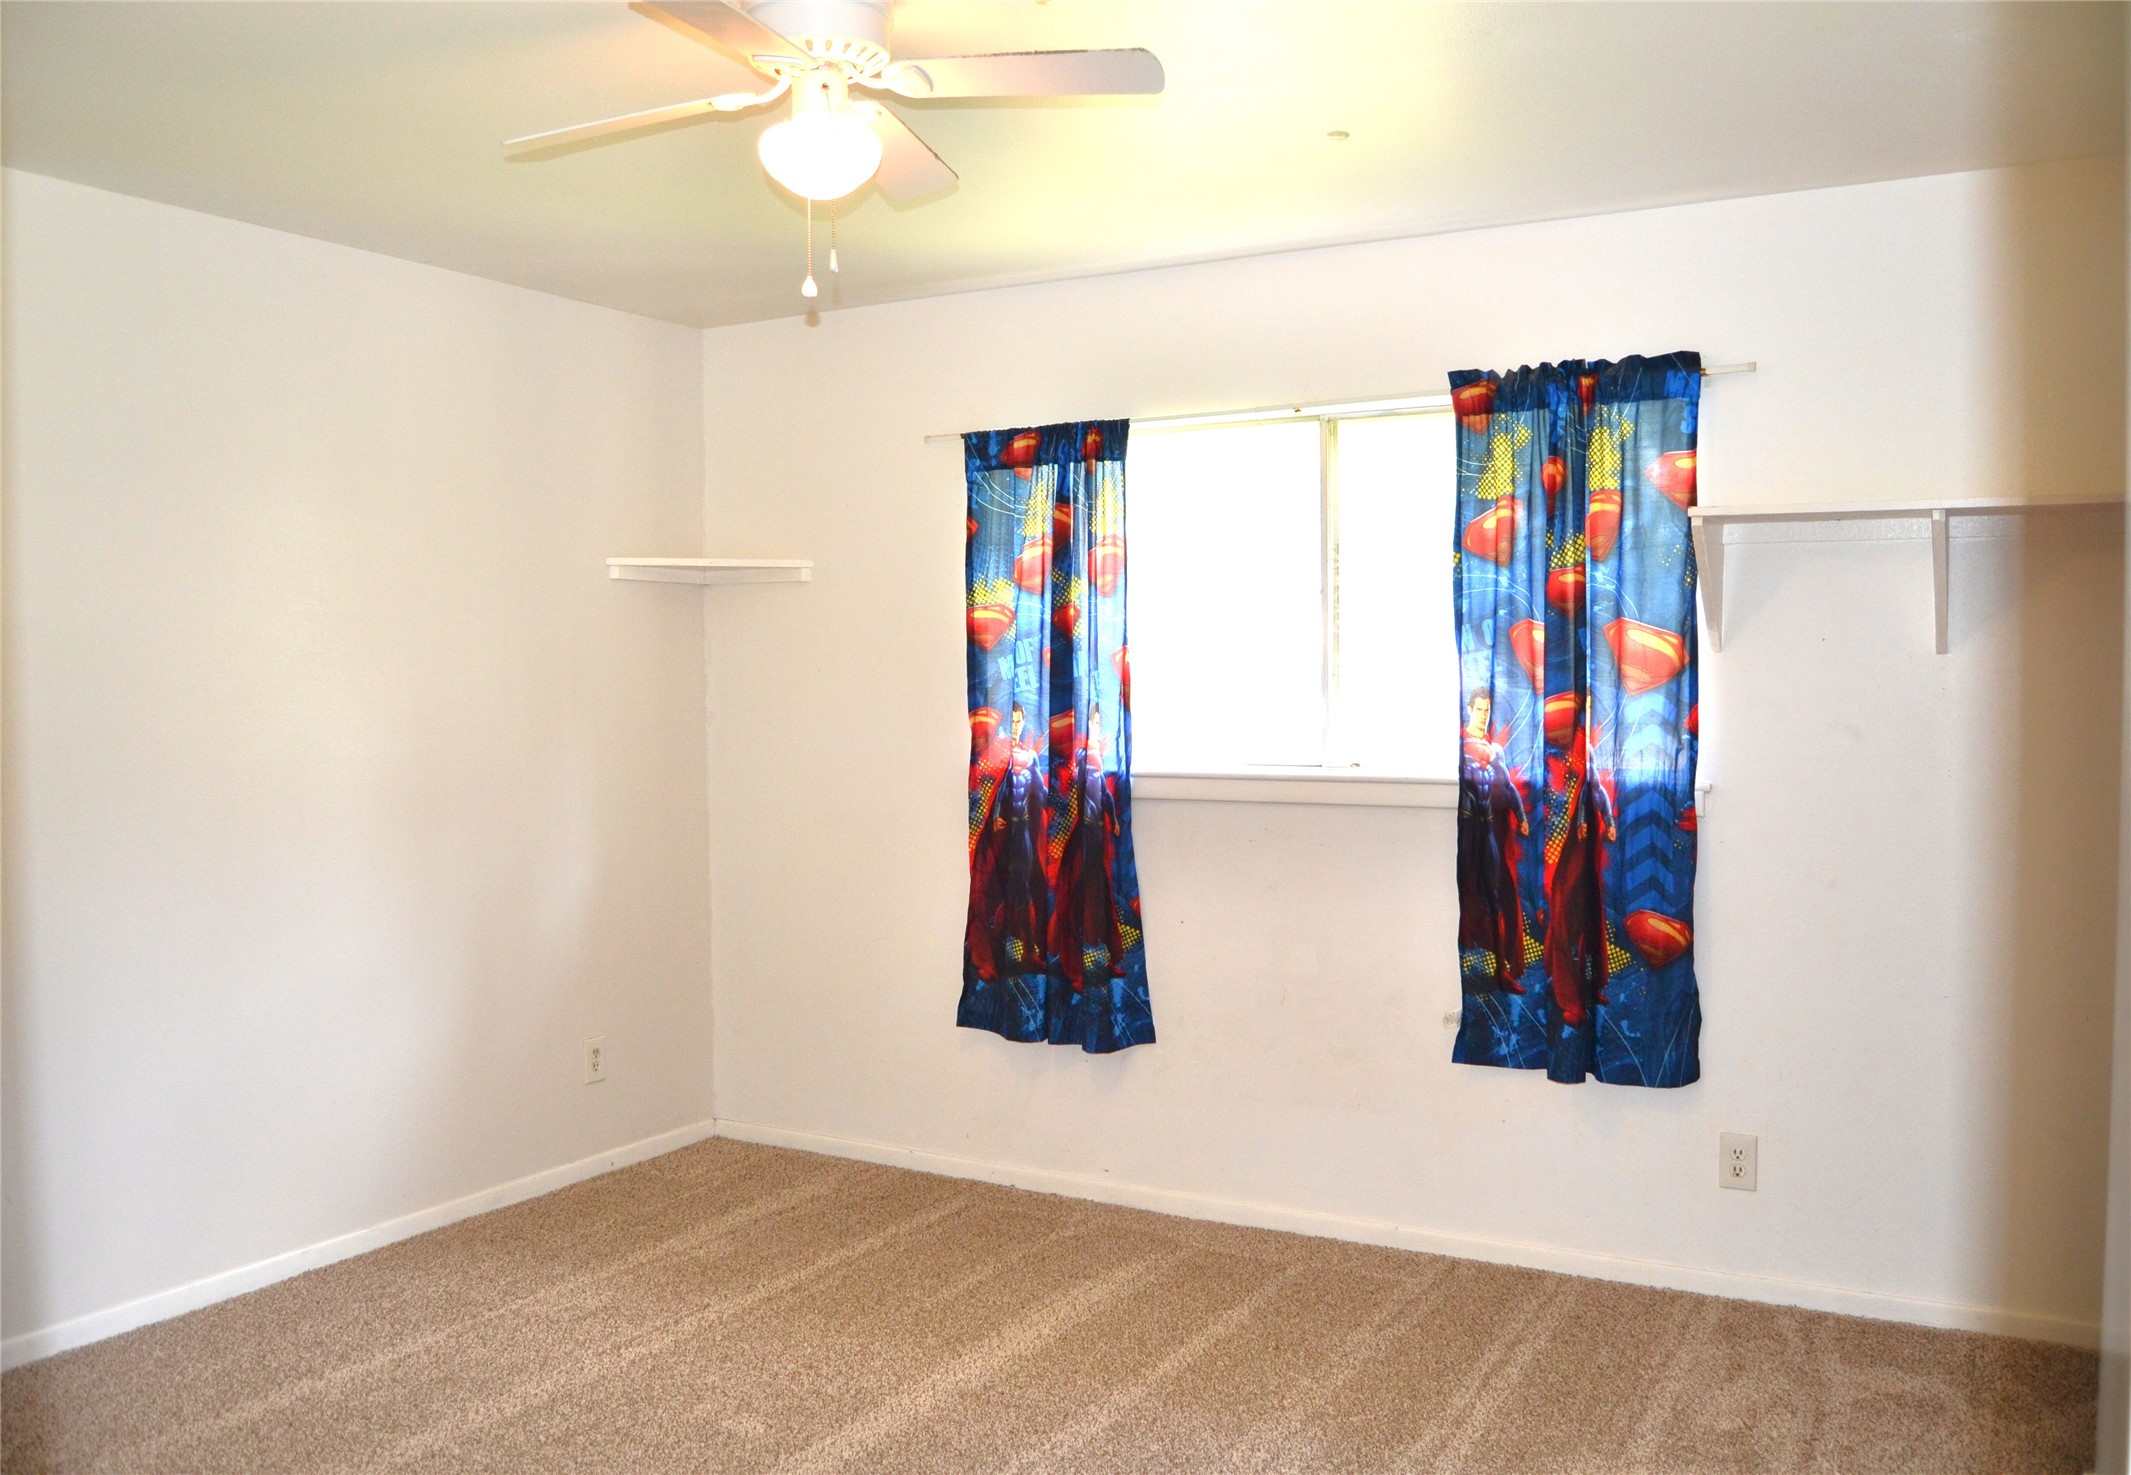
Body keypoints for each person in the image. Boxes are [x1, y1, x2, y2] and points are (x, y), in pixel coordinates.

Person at [1545, 715, 1618, 1028]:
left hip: (1585, 853)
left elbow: (1597, 790)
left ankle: (1592, 985)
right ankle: (1567, 995)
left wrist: (1609, 822)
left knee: (1589, 916)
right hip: (1560, 854)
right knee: (1562, 918)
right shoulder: (1554, 762)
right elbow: (1560, 801)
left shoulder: (1585, 759)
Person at [1455, 690, 1530, 993]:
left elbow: (1507, 786)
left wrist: (1522, 815)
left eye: (1488, 711)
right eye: (1479, 710)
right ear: (1469, 710)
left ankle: (1501, 969)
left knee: (1494, 895)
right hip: (1464, 828)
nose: (1484, 716)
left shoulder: (1494, 750)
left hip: (1485, 828)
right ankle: (1466, 962)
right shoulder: (1458, 747)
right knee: (1462, 892)